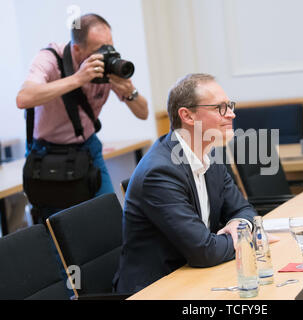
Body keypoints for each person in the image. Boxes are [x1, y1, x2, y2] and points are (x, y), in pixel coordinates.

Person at [113, 73, 262, 294]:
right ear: (188, 116)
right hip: (158, 289)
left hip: (196, 276)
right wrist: (245, 237)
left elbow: (243, 209)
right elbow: (204, 252)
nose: (231, 114)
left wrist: (239, 226)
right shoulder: (160, 173)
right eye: (219, 108)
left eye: (229, 106)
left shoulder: (209, 155)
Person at [16, 13, 148, 221]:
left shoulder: (105, 67)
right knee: (60, 228)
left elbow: (143, 113)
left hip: (89, 149)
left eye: (110, 46)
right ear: (77, 49)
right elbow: (23, 98)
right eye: (99, 50)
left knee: (109, 219)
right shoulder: (51, 59)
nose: (107, 54)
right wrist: (78, 79)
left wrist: (129, 92)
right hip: (49, 155)